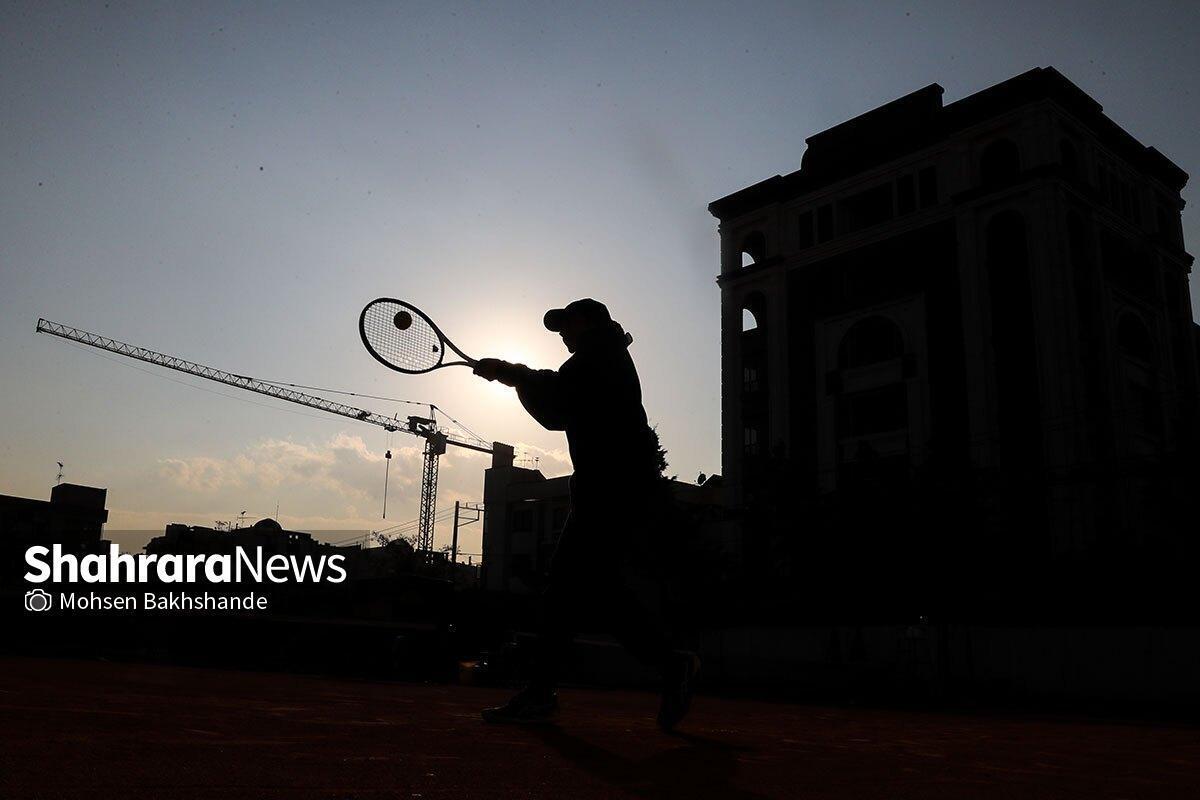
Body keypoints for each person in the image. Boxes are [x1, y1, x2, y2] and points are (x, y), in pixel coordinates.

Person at [473, 298, 700, 730]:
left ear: (589, 322)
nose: (562, 333)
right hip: (621, 490)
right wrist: (512, 374)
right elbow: (556, 400)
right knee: (594, 591)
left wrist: (508, 372)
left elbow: (554, 407)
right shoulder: (607, 356)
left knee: (565, 588)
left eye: (566, 324)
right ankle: (671, 664)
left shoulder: (597, 358)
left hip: (611, 490)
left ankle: (546, 692)